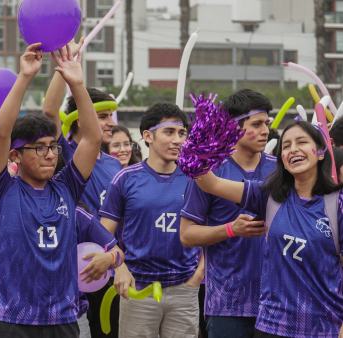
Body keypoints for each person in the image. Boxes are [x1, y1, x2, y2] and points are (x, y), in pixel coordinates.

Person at [0, 43, 105, 338]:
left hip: (62, 319)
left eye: (52, 147)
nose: (50, 154)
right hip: (12, 320)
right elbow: (0, 134)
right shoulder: (0, 190)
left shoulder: (66, 187)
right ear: (15, 156)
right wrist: (24, 77)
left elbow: (92, 139)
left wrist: (76, 83)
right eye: (39, 148)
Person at [192, 119, 343, 338]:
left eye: (301, 142)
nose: (293, 149)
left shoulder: (337, 203)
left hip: (323, 328)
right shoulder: (268, 196)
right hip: (271, 326)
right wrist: (200, 146)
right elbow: (211, 184)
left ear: (321, 152)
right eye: (286, 146)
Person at [99, 102, 204, 338]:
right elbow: (104, 233)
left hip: (184, 288)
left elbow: (209, 230)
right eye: (169, 132)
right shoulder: (125, 179)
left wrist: (197, 276)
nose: (177, 140)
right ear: (148, 136)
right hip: (138, 288)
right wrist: (121, 268)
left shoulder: (197, 180)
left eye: (181, 133)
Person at [43, 39, 123, 338]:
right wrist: (67, 61)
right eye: (101, 116)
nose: (110, 123)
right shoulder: (66, 151)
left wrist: (116, 257)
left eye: (109, 116)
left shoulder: (116, 166)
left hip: (108, 262)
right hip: (71, 263)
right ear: (79, 118)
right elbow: (50, 111)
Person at [180, 89, 276, 338]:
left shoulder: (280, 171)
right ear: (233, 127)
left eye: (267, 123)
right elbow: (187, 234)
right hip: (228, 305)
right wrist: (231, 229)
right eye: (257, 124)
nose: (266, 130)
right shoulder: (207, 173)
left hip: (278, 304)